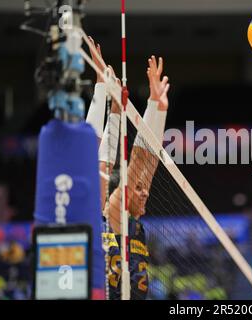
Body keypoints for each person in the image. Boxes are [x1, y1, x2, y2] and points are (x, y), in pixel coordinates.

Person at [85, 37, 170, 300]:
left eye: (143, 190)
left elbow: (146, 162)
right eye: (138, 190)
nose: (145, 193)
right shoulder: (107, 219)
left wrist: (157, 108)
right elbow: (126, 163)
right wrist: (104, 91)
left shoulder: (132, 225)